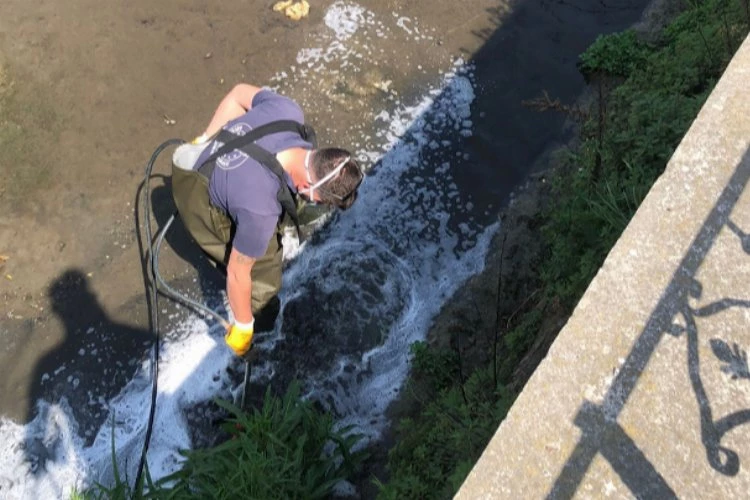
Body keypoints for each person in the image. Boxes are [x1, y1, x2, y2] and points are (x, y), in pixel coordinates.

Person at [171, 83, 363, 357]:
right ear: (310, 182)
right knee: (262, 269)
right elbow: (239, 273)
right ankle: (261, 325)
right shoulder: (261, 211)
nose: (320, 204)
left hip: (210, 161)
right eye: (321, 199)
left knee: (277, 212)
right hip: (196, 195)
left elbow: (238, 94)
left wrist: (204, 140)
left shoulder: (287, 111)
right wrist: (243, 327)